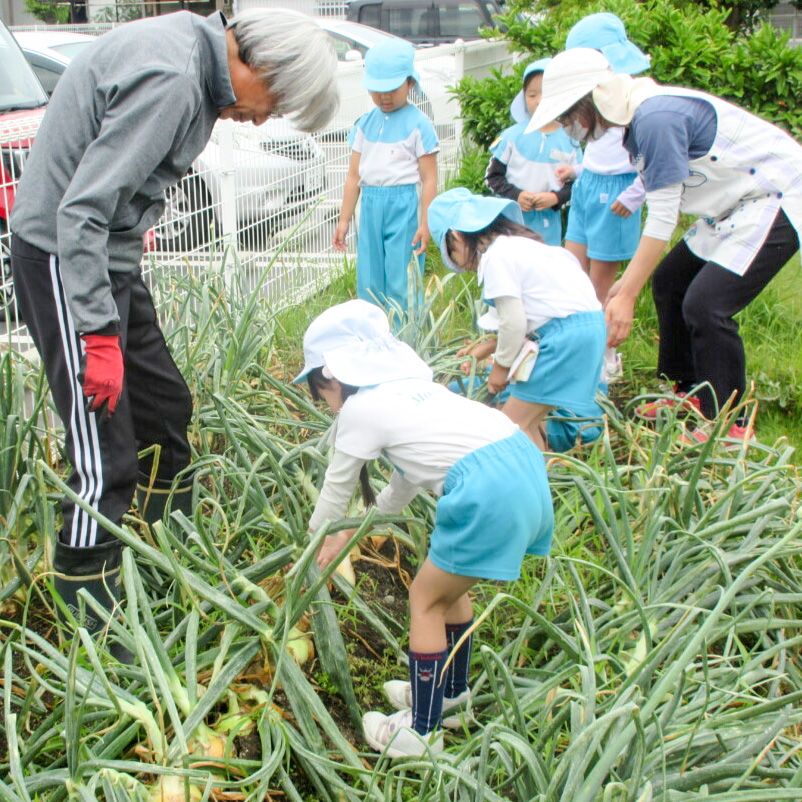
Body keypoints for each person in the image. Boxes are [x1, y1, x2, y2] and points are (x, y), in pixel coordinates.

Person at [9, 8, 338, 652]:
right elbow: (80, 211)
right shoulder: (174, 77)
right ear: (258, 64)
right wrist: (99, 336)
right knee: (104, 455)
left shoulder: (197, 62)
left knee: (166, 411)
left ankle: (155, 561)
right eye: (275, 102)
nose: (264, 118)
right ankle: (93, 632)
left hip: (107, 260)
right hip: (62, 255)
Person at [294, 299, 553, 758]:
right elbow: (405, 481)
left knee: (425, 599)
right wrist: (364, 525)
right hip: (522, 467)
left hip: (486, 489)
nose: (327, 405)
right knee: (449, 588)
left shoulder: (361, 409)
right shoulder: (413, 389)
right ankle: (451, 695)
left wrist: (320, 538)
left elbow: (335, 491)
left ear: (331, 376)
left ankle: (422, 730)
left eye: (321, 393)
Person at [528, 48, 802, 442]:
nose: (569, 126)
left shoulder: (656, 119)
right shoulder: (635, 118)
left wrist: (626, 294)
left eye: (569, 114)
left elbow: (662, 215)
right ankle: (689, 391)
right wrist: (629, 285)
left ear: (593, 98)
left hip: (773, 195)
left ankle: (727, 423)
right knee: (671, 282)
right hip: (731, 204)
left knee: (707, 306)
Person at [428, 187, 607, 452]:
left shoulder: (496, 257)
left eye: (452, 254)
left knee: (511, 426)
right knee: (528, 422)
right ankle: (546, 482)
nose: (462, 265)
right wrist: (490, 346)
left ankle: (534, 489)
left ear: (455, 235)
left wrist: (500, 368)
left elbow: (513, 321)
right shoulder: (526, 247)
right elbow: (541, 315)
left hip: (564, 340)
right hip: (587, 331)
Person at [552, 13, 649, 382]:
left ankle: (604, 356)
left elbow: (651, 160)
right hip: (588, 186)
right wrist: (576, 171)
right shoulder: (591, 101)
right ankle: (578, 348)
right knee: (573, 275)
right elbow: (598, 150)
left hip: (619, 191)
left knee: (599, 284)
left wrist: (636, 194)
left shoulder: (631, 99)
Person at [332, 39, 438, 319]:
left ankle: (405, 340)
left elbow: (428, 179)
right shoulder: (365, 124)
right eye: (377, 90)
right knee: (369, 277)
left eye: (392, 89)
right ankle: (372, 339)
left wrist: (426, 223)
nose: (384, 97)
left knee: (402, 275)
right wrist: (343, 221)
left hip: (403, 205)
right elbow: (354, 175)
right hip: (369, 206)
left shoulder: (419, 124)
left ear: (410, 83)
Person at [484, 58, 582, 247]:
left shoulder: (570, 140)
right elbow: (492, 177)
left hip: (549, 228)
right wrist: (516, 196)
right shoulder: (511, 137)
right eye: (532, 95)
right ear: (523, 97)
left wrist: (555, 198)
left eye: (546, 94)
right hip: (511, 224)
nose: (538, 101)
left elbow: (579, 185)